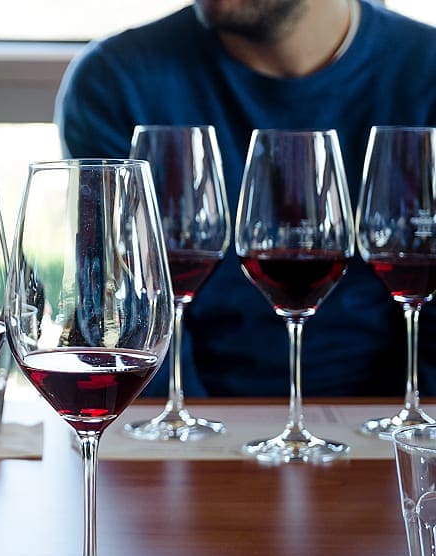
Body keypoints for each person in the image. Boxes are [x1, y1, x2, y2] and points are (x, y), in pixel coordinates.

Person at [57, 0, 436, 397]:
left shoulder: (425, 70)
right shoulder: (116, 81)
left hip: (386, 428)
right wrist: (193, 449)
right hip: (192, 430)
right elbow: (126, 325)